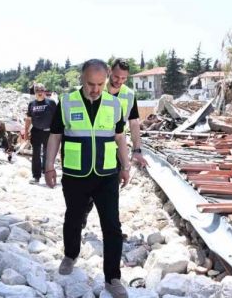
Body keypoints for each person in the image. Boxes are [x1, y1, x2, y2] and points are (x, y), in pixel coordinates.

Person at [45, 59, 131, 298]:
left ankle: (112, 277)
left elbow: (120, 137)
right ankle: (70, 254)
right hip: (75, 175)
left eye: (100, 84)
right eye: (90, 84)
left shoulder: (114, 105)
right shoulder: (66, 102)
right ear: (81, 79)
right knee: (73, 218)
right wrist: (49, 166)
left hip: (106, 175)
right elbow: (55, 137)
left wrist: (125, 165)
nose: (95, 89)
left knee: (112, 225)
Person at [81, 58, 149, 229]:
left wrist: (137, 149)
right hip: (93, 147)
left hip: (116, 147)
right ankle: (82, 214)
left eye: (124, 78)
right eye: (117, 77)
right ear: (110, 72)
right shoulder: (95, 89)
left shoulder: (128, 95)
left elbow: (134, 123)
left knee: (112, 190)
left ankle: (113, 229)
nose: (119, 81)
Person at [23, 83, 56, 184]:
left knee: (47, 155)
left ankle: (47, 175)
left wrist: (57, 132)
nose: (40, 92)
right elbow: (28, 119)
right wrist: (26, 132)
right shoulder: (31, 104)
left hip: (48, 132)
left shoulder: (51, 103)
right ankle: (36, 177)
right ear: (35, 92)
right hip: (36, 131)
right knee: (36, 155)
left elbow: (57, 118)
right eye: (37, 90)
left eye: (41, 90)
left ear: (44, 91)